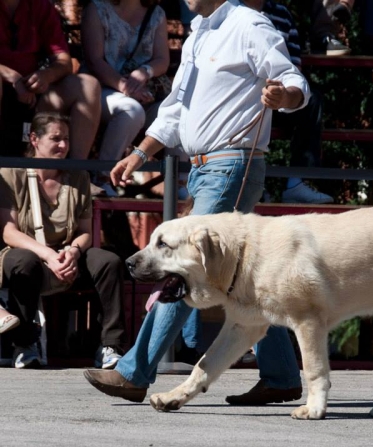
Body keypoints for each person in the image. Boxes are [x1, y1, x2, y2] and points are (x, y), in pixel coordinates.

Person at [83, 0, 311, 405]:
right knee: (247, 276)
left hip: (232, 163)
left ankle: (134, 371)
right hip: (206, 168)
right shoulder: (199, 33)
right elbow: (175, 111)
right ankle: (281, 375)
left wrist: (284, 97)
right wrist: (139, 154)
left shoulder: (248, 23)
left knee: (183, 268)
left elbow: (294, 81)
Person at [0, 112, 127, 369]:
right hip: (31, 253)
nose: (63, 145)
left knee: (108, 261)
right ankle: (24, 345)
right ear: (34, 139)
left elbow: (85, 231)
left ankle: (110, 345)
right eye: (56, 138)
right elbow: (9, 231)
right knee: (22, 261)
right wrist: (47, 255)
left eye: (66, 139)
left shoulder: (77, 175)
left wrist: (73, 253)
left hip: (67, 255)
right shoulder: (12, 172)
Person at [81, 0, 173, 196]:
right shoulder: (97, 9)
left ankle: (179, 184)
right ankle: (103, 177)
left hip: (144, 91)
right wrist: (125, 87)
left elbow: (162, 60)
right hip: (102, 89)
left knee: (176, 113)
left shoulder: (156, 13)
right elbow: (94, 60)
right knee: (131, 111)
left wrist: (145, 71)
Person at [245, 0, 332, 204]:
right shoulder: (230, 11)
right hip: (244, 98)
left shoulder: (281, 12)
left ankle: (297, 181)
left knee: (312, 100)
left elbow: (294, 64)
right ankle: (251, 184)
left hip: (278, 93)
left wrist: (284, 91)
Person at [0, 0, 101, 159]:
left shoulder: (40, 6)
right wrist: (11, 76)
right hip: (4, 89)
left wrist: (46, 76)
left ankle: (75, 174)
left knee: (88, 85)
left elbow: (63, 61)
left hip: (33, 94)